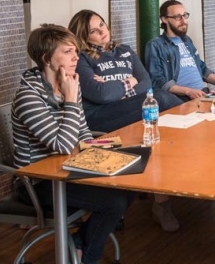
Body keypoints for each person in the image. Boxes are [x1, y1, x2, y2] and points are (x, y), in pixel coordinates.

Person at [12, 24, 135, 264]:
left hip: (69, 170)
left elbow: (82, 133)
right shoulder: (28, 96)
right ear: (47, 58)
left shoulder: (68, 83)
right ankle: (88, 257)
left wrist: (103, 154)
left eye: (75, 51)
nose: (76, 57)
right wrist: (70, 99)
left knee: (131, 183)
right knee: (114, 201)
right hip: (38, 182)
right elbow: (64, 146)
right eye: (67, 52)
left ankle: (79, 244)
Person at [68, 9, 183, 133]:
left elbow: (145, 82)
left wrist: (117, 92)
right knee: (159, 98)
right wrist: (131, 81)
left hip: (129, 106)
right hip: (100, 115)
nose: (102, 31)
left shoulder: (124, 50)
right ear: (83, 37)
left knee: (160, 102)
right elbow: (102, 94)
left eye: (101, 24)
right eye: (93, 31)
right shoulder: (81, 58)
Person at [144, 0, 215, 100]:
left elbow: (201, 67)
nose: (183, 21)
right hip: (182, 98)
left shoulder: (187, 40)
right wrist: (188, 91)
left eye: (185, 15)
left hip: (204, 93)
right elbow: (158, 81)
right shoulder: (155, 45)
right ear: (164, 19)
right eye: (177, 17)